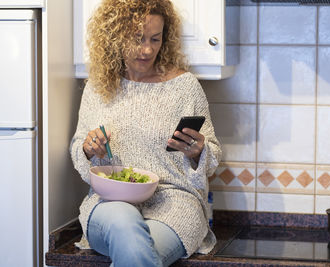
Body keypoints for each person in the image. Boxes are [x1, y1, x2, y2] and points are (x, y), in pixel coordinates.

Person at [69, 0, 221, 266]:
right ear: (115, 36)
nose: (147, 49)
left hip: (175, 205)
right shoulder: (98, 87)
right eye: (137, 39)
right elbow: (78, 145)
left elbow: (213, 155)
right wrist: (88, 147)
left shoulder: (184, 87)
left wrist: (199, 151)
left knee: (135, 253)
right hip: (109, 202)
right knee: (124, 224)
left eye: (155, 39)